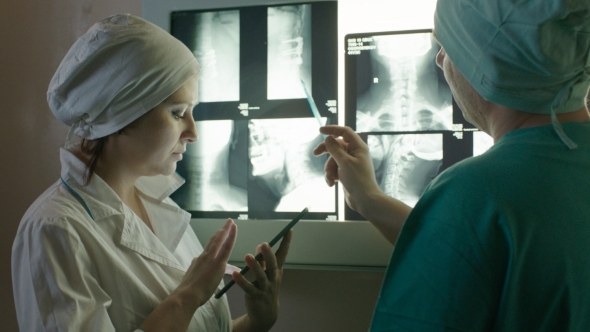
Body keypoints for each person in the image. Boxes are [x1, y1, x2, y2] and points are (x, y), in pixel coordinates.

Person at [314, 0, 590, 330]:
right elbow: (486, 254)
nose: (441, 60)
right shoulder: (484, 203)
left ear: (484, 66)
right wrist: (369, 200)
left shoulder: (473, 193)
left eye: (448, 46)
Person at [12, 14, 291, 332]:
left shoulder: (161, 207)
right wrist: (189, 295)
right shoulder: (55, 229)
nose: (192, 133)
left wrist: (258, 321)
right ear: (120, 114)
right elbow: (185, 308)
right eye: (177, 113)